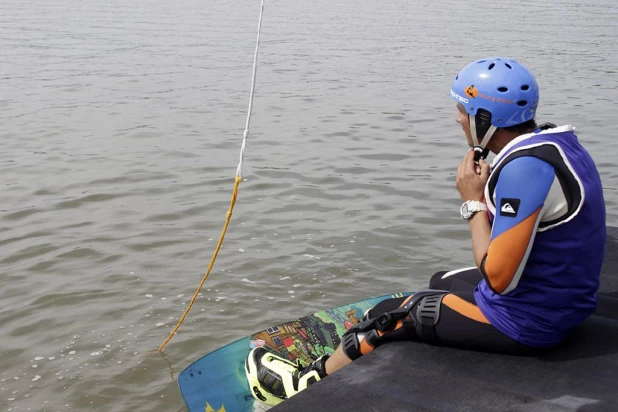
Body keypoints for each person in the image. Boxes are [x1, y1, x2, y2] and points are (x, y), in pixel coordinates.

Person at [244, 57, 607, 406]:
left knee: (396, 314)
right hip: (560, 301)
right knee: (442, 280)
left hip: (533, 322)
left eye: (463, 111)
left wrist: (473, 203)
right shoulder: (555, 143)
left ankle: (307, 383)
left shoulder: (524, 170)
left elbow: (498, 278)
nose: (457, 119)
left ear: (486, 118)